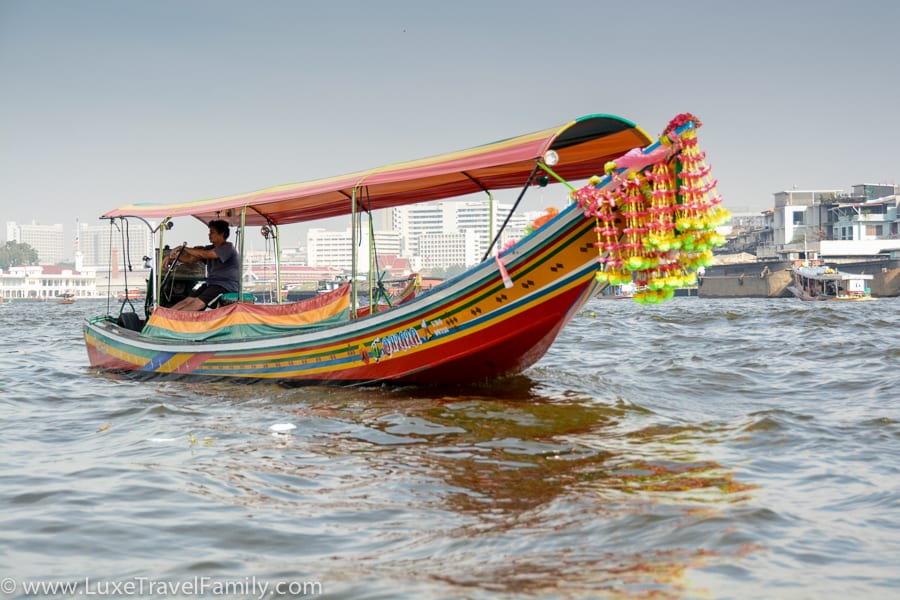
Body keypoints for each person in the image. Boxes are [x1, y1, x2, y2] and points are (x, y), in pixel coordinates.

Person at [161, 220, 240, 311]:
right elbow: (190, 259)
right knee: (187, 301)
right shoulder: (209, 248)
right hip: (211, 283)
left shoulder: (228, 247)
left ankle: (175, 318)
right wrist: (172, 257)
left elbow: (206, 254)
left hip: (226, 285)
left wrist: (181, 248)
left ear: (221, 234)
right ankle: (166, 314)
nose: (209, 235)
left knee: (198, 303)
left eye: (212, 232)